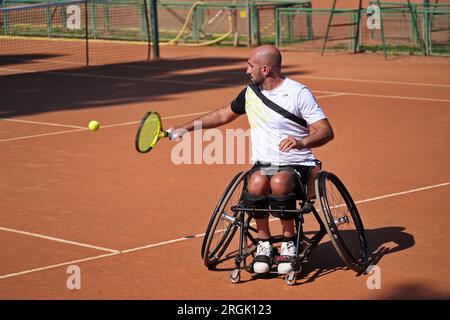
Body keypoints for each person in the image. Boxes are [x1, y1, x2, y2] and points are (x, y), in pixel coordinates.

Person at [169, 45, 334, 275]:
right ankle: (264, 243)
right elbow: (222, 114)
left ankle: (288, 241)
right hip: (264, 164)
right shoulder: (250, 93)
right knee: (255, 183)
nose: (247, 71)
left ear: (266, 69)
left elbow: (325, 131)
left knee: (279, 182)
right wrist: (185, 129)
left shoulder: (298, 93)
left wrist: (302, 142)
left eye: (250, 66)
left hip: (299, 164)